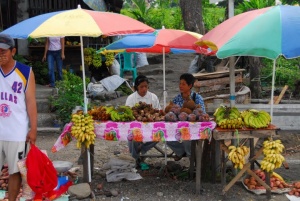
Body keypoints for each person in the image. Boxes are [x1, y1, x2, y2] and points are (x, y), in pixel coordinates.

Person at [0, 34, 37, 201]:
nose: (0, 55)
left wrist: (34, 129)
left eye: (3, 52)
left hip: (17, 131)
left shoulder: (25, 72)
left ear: (13, 51)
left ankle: (12, 200)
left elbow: (30, 102)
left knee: (15, 171)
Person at [167, 73, 206, 161]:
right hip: (178, 127)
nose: (180, 86)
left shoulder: (197, 98)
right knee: (167, 138)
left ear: (190, 85)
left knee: (187, 139)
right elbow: (171, 112)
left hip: (192, 128)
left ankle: (192, 161)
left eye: (183, 84)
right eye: (180, 83)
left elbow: (202, 113)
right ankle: (181, 152)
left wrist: (192, 114)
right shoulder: (177, 98)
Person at [125, 75, 161, 163]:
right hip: (135, 127)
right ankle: (136, 158)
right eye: (141, 87)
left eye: (146, 86)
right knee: (132, 137)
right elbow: (128, 114)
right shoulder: (131, 98)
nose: (144, 89)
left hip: (151, 126)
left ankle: (142, 148)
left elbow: (158, 111)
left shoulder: (153, 97)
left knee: (160, 134)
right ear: (136, 87)